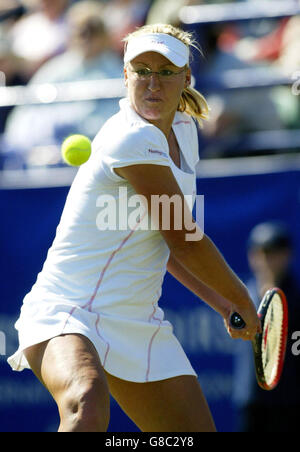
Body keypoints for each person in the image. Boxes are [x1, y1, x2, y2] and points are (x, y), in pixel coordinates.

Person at [8, 23, 260, 433]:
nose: (152, 83)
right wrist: (242, 300)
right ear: (125, 76)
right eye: (141, 71)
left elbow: (168, 243)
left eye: (165, 72)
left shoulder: (184, 131)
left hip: (137, 321)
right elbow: (185, 240)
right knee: (86, 405)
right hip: (68, 312)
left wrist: (224, 304)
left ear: (186, 78)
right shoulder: (131, 138)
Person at [3, 1, 123, 158]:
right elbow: (22, 125)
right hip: (49, 162)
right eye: (80, 31)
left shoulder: (119, 73)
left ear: (104, 34)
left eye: (92, 30)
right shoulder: (54, 71)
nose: (85, 37)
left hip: (103, 161)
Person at [233, 221, 300, 432]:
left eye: (272, 253)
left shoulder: (298, 298)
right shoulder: (243, 296)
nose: (265, 260)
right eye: (259, 253)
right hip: (251, 400)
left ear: (286, 255)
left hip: (291, 402)